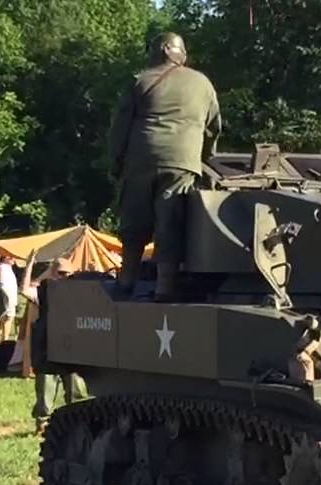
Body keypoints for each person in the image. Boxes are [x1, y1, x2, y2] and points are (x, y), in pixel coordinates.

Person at [108, 31, 223, 301]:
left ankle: (126, 282)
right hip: (183, 162)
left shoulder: (140, 80)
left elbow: (120, 126)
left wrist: (116, 161)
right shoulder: (203, 83)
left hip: (141, 159)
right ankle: (165, 287)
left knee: (134, 222)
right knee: (169, 222)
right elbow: (213, 127)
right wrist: (203, 158)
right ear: (179, 52)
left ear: (158, 50)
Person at [29, 256, 75, 432]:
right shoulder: (45, 290)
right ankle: (42, 423)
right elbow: (25, 289)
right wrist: (30, 267)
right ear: (53, 272)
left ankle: (74, 422)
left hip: (71, 347)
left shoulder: (78, 291)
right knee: (45, 393)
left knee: (75, 392)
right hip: (48, 347)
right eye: (60, 273)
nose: (63, 277)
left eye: (67, 274)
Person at [0, 251, 19, 343]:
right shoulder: (3, 268)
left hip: (10, 298)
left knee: (7, 319)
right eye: (11, 257)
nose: (14, 259)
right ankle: (4, 340)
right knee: (8, 319)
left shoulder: (7, 268)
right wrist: (9, 300)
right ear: (6, 258)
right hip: (8, 299)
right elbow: (3, 285)